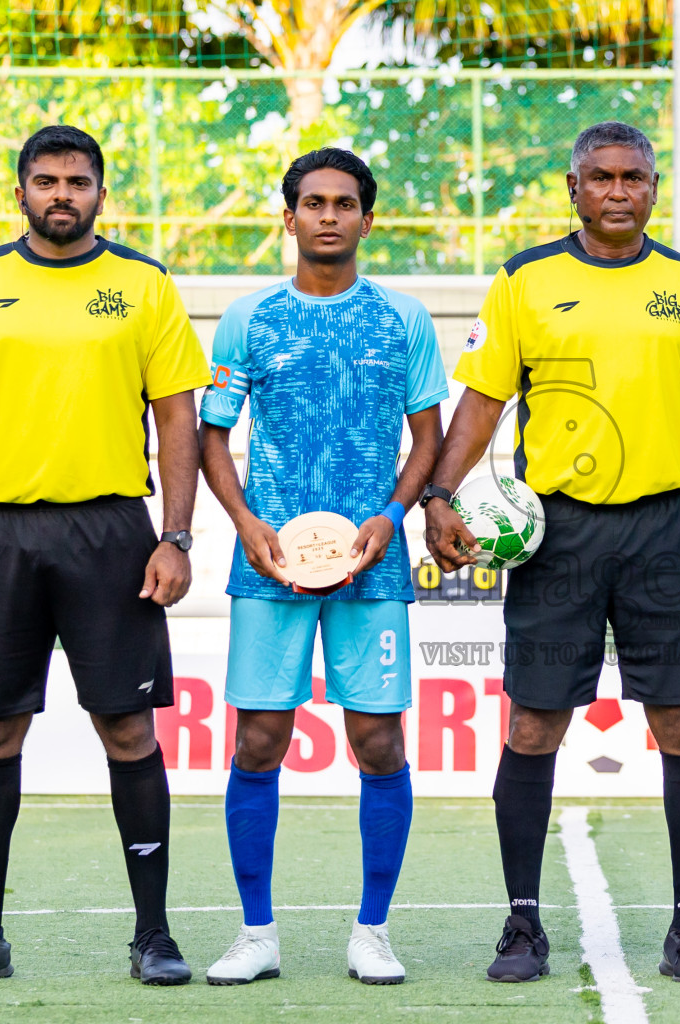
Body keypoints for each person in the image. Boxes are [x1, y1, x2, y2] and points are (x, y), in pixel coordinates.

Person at [423, 121, 680, 984]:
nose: (618, 191)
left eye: (634, 178)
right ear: (572, 188)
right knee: (534, 722)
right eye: (601, 177)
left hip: (662, 527)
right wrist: (438, 494)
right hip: (557, 535)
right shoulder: (525, 281)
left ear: (653, 188)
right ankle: (523, 923)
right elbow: (482, 401)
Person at [0, 125, 209, 985]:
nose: (62, 194)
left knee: (126, 725)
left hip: (113, 529)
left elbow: (176, 416)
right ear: (20, 192)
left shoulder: (143, 285)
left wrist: (176, 535)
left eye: (78, 181)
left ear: (102, 194)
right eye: (46, 180)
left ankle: (153, 933)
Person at [198, 148, 447, 986]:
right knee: (259, 739)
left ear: (368, 220)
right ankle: (256, 932)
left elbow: (429, 439)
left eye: (346, 203)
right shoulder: (248, 320)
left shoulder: (403, 319)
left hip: (372, 568)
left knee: (378, 743)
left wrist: (390, 516)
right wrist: (245, 523)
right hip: (267, 565)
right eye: (314, 202)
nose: (330, 216)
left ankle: (373, 930)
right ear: (290, 216)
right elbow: (213, 434)